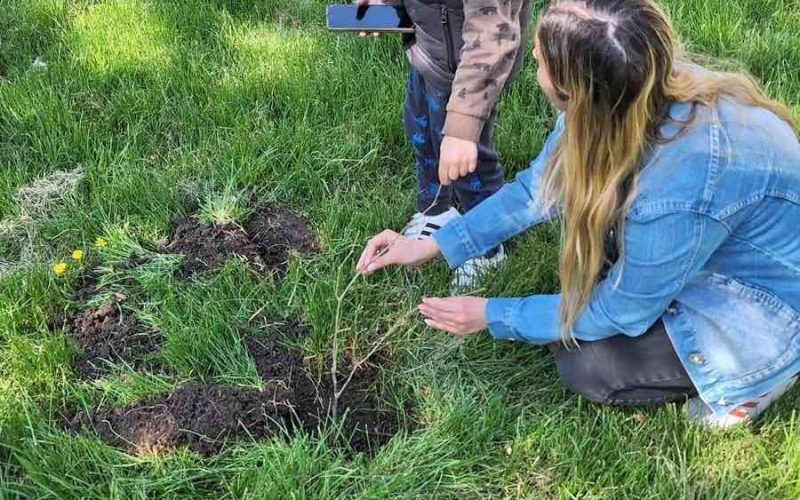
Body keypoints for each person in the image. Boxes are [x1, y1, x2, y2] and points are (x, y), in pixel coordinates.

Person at [356, 0, 800, 427]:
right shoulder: (630, 82)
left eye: (539, 63)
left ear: (577, 90)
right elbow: (537, 191)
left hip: (759, 305)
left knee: (587, 364)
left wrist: (491, 314)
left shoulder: (674, 192)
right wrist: (431, 245)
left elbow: (621, 312)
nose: (532, 62)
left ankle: (757, 378)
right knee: (582, 287)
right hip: (703, 245)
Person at [355, 0, 532, 289]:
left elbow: (492, 30)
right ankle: (436, 211)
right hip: (431, 54)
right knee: (422, 135)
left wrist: (463, 126)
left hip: (475, 71)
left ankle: (487, 246)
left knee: (470, 164)